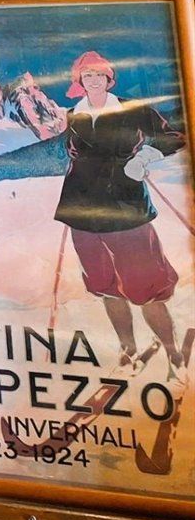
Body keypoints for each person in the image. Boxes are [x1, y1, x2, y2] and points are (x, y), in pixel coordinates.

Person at [53, 49, 187, 373]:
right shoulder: (74, 114)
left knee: (146, 289)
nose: (94, 80)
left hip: (127, 211)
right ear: (80, 81)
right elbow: (73, 154)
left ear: (109, 78)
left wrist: (145, 157)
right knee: (106, 287)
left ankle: (174, 356)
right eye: (87, 75)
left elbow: (175, 137)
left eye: (99, 74)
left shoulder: (132, 109)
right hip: (83, 213)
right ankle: (128, 351)